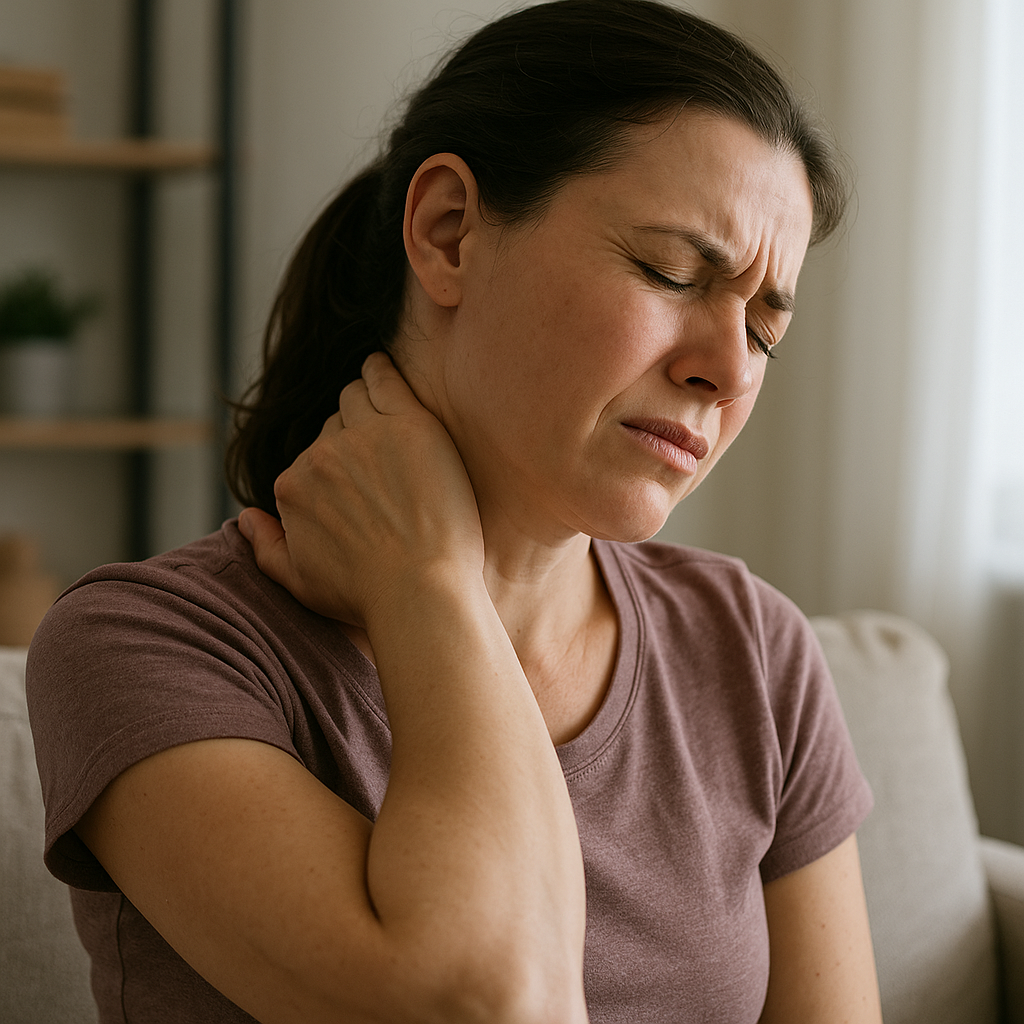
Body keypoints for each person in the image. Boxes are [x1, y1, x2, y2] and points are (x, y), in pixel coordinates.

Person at [27, 1, 881, 1021]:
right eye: (671, 270)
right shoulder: (148, 646)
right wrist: (427, 581)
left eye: (763, 326)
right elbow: (480, 1000)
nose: (727, 368)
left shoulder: (751, 649)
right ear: (447, 233)